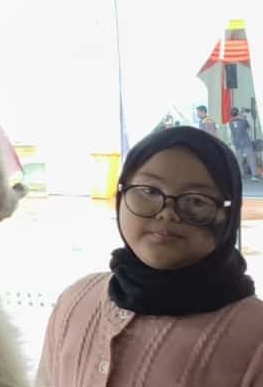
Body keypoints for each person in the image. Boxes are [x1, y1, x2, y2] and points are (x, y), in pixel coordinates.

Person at [36, 126, 263, 386]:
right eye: (150, 191)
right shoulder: (75, 301)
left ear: (229, 215)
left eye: (196, 201)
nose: (167, 213)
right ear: (121, 194)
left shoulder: (254, 336)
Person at [230, 107, 259, 181]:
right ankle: (254, 176)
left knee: (239, 160)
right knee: (251, 158)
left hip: (237, 143)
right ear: (237, 113)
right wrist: (243, 116)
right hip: (246, 142)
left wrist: (240, 115)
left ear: (231, 114)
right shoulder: (243, 121)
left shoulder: (230, 122)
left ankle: (241, 176)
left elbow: (233, 132)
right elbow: (249, 128)